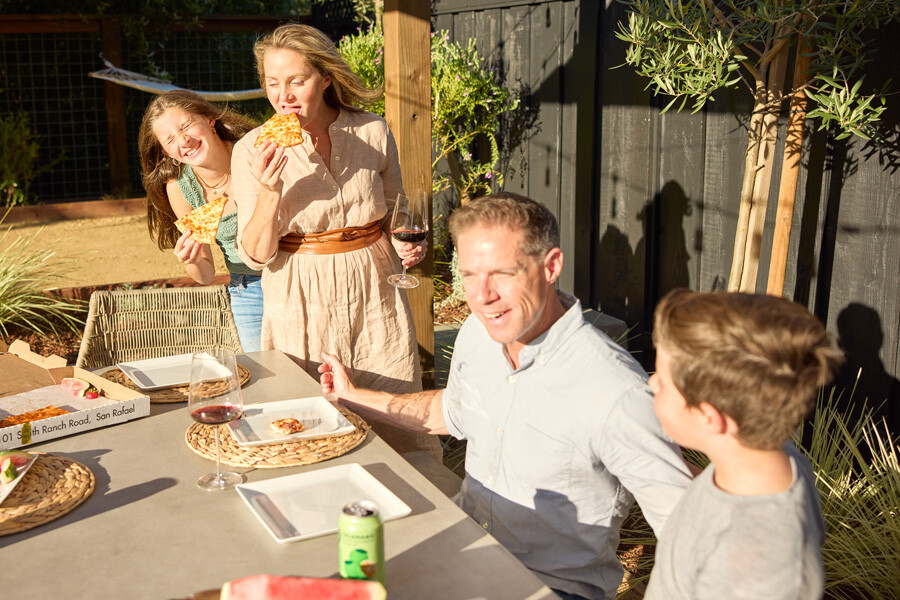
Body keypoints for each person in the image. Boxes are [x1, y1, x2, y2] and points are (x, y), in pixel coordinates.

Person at [320, 193, 693, 600]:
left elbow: (686, 529)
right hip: (461, 551)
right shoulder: (477, 334)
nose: (482, 297)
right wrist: (352, 394)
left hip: (548, 587)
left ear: (551, 267)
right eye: (470, 275)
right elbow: (450, 411)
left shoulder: (614, 390)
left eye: (502, 274)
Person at [230, 24, 434, 456]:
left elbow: (397, 212)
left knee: (391, 404)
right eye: (271, 83)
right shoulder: (252, 149)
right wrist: (270, 192)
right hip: (298, 293)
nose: (282, 96)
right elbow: (255, 255)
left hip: (375, 291)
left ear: (324, 78)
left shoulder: (372, 131)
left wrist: (406, 243)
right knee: (306, 416)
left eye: (296, 81)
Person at [645, 289, 843, 600]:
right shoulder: (771, 455)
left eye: (663, 382)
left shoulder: (754, 565)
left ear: (710, 418)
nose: (651, 383)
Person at [138, 90, 264, 351]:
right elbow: (205, 275)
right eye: (170, 139)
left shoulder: (255, 151)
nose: (183, 141)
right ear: (167, 152)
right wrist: (193, 259)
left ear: (209, 119)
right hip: (249, 290)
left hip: (295, 275)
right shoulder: (181, 189)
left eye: (186, 126)